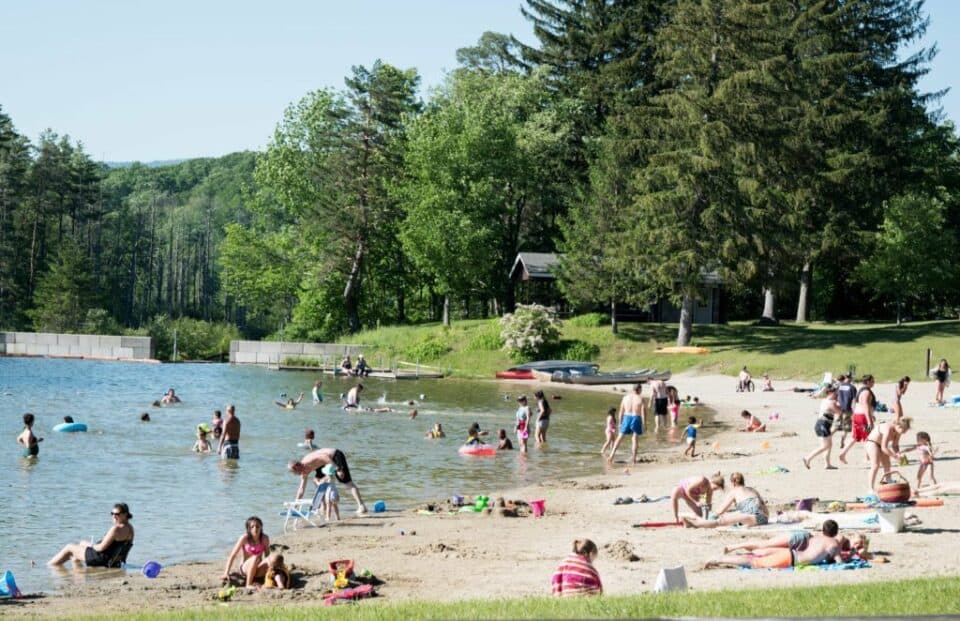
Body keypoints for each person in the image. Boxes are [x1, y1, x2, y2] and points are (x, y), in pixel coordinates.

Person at [704, 527, 845, 569]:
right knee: (753, 562)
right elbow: (839, 563)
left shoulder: (821, 538)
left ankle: (725, 556)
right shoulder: (835, 544)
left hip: (791, 552)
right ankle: (719, 559)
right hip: (791, 558)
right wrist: (848, 556)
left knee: (759, 553)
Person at [49, 503, 134, 567]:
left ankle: (49, 567)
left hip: (101, 559)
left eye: (117, 514)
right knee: (77, 551)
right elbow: (125, 549)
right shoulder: (130, 529)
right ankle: (79, 576)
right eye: (112, 514)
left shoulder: (116, 529)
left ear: (125, 514)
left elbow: (101, 548)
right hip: (113, 561)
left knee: (69, 547)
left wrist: (91, 545)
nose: (114, 516)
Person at [289, 448, 367, 514]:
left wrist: (338, 469)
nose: (297, 474)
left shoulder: (308, 461)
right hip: (323, 463)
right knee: (317, 480)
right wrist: (296, 504)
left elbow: (324, 456)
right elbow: (301, 489)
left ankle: (361, 506)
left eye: (295, 472)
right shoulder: (304, 471)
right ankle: (324, 506)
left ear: (298, 466)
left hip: (334, 456)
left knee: (347, 482)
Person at [682, 472, 768, 528]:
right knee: (734, 514)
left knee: (719, 521)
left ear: (733, 483)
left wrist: (712, 515)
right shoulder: (751, 489)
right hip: (764, 517)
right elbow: (761, 507)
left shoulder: (734, 491)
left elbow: (720, 511)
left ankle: (694, 524)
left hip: (753, 517)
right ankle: (692, 520)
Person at [721, 520, 840, 555]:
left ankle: (737, 548)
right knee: (765, 545)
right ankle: (734, 547)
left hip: (801, 534)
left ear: (822, 529)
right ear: (835, 533)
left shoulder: (820, 536)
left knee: (766, 545)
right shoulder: (830, 541)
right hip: (800, 541)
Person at [864, 417, 911, 491]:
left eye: (906, 430)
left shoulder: (898, 432)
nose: (904, 432)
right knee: (875, 465)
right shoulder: (888, 429)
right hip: (872, 443)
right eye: (904, 430)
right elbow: (884, 447)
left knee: (887, 464)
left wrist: (898, 453)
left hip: (881, 445)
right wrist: (895, 456)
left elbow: (895, 445)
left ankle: (888, 480)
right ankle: (870, 488)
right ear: (898, 426)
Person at [221, 516, 270, 587]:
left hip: (258, 569)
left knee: (274, 559)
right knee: (256, 557)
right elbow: (233, 555)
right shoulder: (244, 538)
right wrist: (226, 573)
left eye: (257, 526)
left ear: (261, 527)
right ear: (248, 529)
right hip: (244, 569)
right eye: (252, 527)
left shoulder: (265, 538)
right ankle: (248, 584)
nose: (255, 529)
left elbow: (267, 556)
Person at [839, 375, 876, 465]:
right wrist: (869, 420)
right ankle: (868, 457)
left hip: (857, 415)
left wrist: (870, 415)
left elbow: (855, 403)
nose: (874, 383)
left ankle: (843, 453)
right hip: (863, 416)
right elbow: (866, 406)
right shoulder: (866, 392)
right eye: (872, 381)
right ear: (867, 382)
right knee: (869, 437)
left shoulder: (860, 390)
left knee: (856, 437)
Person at [607, 383, 647, 465]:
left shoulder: (625, 397)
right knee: (634, 438)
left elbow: (621, 411)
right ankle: (634, 459)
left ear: (633, 389)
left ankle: (611, 455)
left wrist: (620, 422)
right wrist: (644, 423)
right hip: (636, 417)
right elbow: (643, 412)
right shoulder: (640, 398)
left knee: (620, 437)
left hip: (627, 417)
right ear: (639, 389)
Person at [804, 385, 840, 470]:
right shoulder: (831, 402)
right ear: (830, 393)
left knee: (829, 445)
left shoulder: (825, 400)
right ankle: (807, 458)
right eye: (835, 393)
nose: (837, 395)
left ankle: (827, 464)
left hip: (822, 424)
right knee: (825, 446)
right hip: (823, 425)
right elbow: (839, 412)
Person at [835, 374, 856, 449]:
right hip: (848, 409)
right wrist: (854, 411)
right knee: (846, 427)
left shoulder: (839, 386)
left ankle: (829, 436)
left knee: (836, 425)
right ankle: (843, 440)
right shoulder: (852, 387)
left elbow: (836, 397)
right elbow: (853, 400)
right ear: (850, 379)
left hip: (839, 408)